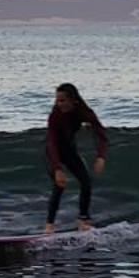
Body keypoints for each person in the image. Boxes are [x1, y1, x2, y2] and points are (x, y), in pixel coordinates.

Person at [44, 82, 108, 232]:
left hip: (70, 150)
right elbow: (51, 142)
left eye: (62, 100)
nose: (59, 104)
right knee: (59, 185)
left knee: (86, 182)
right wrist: (57, 168)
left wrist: (101, 157)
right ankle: (49, 225)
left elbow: (101, 135)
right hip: (53, 151)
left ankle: (83, 219)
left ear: (73, 100)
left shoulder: (84, 111)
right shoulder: (55, 115)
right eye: (57, 100)